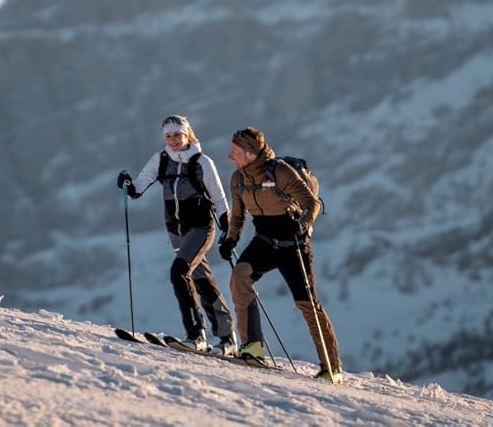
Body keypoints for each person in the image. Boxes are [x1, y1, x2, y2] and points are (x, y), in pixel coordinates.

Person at [219, 126, 344, 383]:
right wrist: (230, 239)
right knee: (240, 277)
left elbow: (312, 203)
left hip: (293, 244)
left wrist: (305, 223)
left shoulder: (280, 172)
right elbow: (239, 215)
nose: (230, 155)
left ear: (249, 153)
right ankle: (252, 347)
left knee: (307, 303)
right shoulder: (238, 179)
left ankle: (332, 369)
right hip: (264, 240)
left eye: (234, 151)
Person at [116, 115, 237, 355]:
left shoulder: (202, 162)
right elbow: (139, 187)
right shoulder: (160, 160)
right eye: (168, 136)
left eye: (177, 135)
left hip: (201, 229)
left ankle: (196, 335)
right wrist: (127, 185)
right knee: (202, 279)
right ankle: (228, 339)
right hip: (176, 232)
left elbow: (220, 199)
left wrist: (228, 229)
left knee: (179, 272)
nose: (172, 140)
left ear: (188, 135)